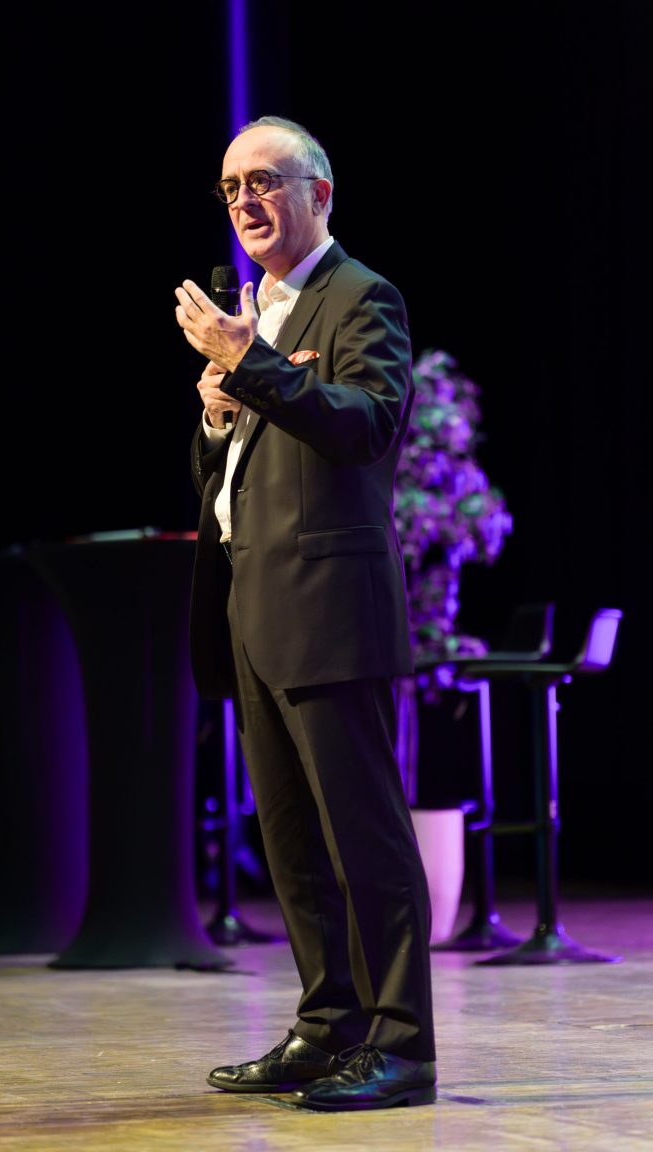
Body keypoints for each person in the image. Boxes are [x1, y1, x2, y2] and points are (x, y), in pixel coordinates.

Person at [174, 115, 436, 1112]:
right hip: (255, 608)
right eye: (231, 187)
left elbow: (367, 426)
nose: (244, 201)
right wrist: (218, 414)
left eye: (264, 182)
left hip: (330, 611)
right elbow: (241, 472)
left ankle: (401, 1046)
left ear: (318, 194)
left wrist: (255, 365)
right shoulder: (260, 310)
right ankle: (330, 1027)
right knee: (290, 843)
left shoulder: (362, 296)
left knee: (363, 837)